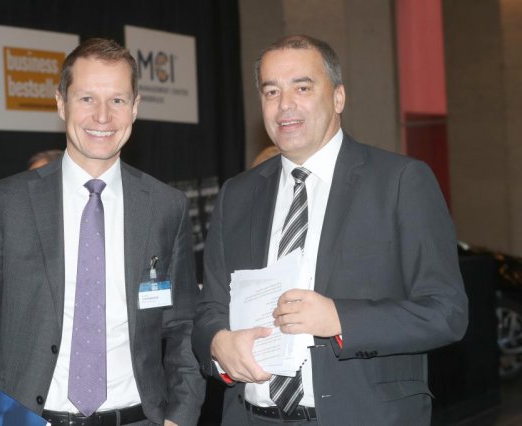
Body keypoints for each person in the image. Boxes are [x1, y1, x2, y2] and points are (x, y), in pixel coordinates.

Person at [192, 34, 469, 425]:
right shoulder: (236, 195)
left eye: (302, 88)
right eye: (271, 91)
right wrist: (219, 343)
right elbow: (210, 309)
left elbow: (446, 312)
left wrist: (341, 318)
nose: (284, 104)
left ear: (338, 97)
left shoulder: (400, 181)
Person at [0, 37, 205, 426]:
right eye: (87, 98)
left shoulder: (165, 206)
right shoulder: (6, 202)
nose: (102, 116)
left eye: (117, 100)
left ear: (135, 107)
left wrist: (181, 415)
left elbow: (182, 327)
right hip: (24, 418)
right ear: (61, 103)